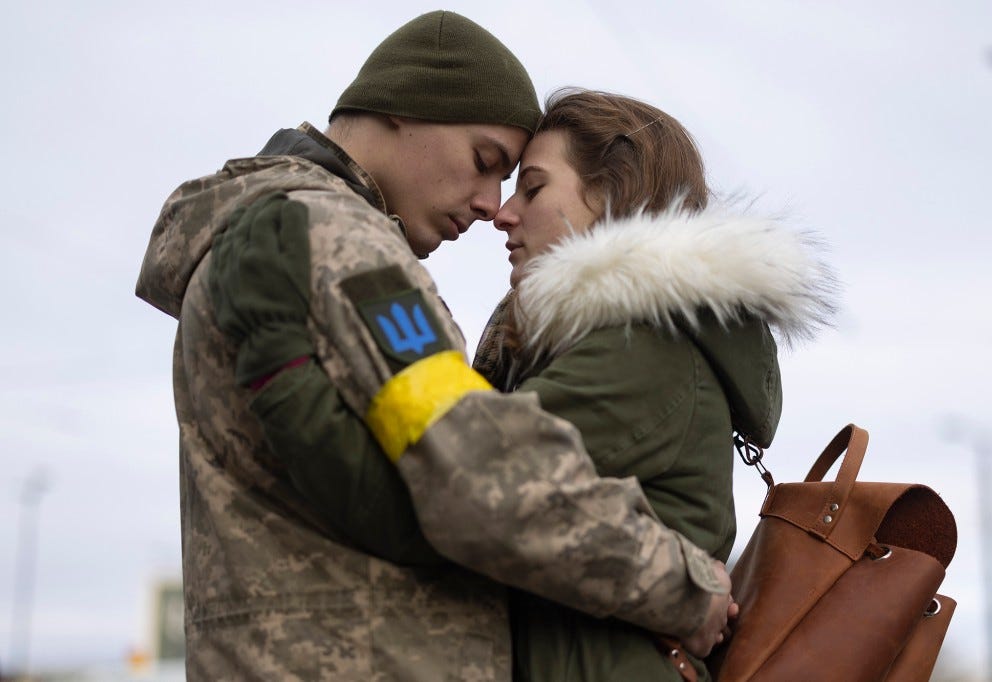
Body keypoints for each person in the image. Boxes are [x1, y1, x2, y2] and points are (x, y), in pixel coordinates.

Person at [137, 11, 735, 680]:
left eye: (516, 183)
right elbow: (482, 474)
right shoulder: (341, 241)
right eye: (486, 163)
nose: (490, 205)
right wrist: (689, 588)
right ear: (406, 107)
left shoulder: (269, 235)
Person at [226, 89, 835, 681]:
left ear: (612, 195)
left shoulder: (644, 353)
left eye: (532, 186)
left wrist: (279, 363)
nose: (501, 212)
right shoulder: (571, 346)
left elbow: (442, 495)